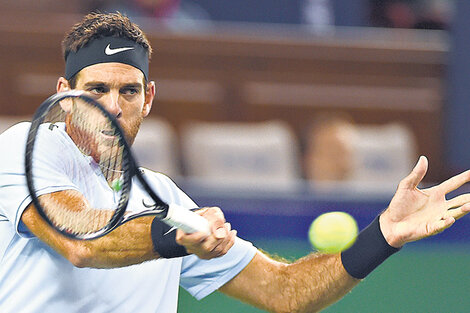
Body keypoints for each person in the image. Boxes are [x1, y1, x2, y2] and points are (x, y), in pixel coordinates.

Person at [0, 12, 469, 313]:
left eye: (129, 90)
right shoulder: (28, 147)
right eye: (96, 90)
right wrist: (178, 234)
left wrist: (382, 235)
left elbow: (285, 292)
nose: (113, 106)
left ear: (149, 99)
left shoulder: (163, 196)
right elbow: (80, 239)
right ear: (64, 97)